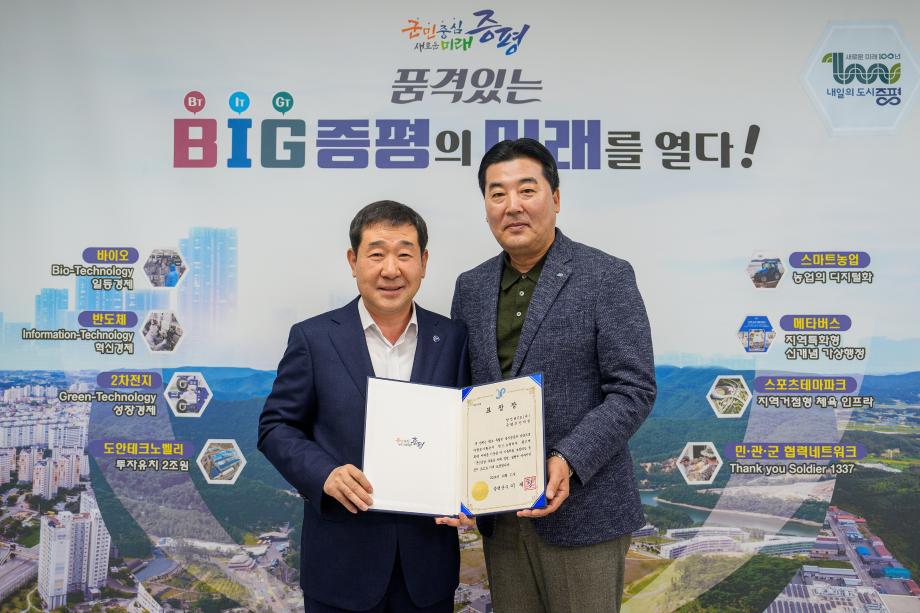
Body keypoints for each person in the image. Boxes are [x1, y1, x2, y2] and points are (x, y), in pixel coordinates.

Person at [451, 138, 657, 613]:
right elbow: (463, 392)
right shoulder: (471, 286)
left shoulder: (606, 276)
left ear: (556, 198)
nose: (512, 206)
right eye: (497, 194)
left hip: (583, 509)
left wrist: (567, 458)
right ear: (485, 206)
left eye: (527, 190)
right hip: (500, 513)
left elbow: (633, 389)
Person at [258, 201, 470, 613]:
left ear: (424, 263)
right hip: (340, 567)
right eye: (376, 254)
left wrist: (471, 493)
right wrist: (325, 474)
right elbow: (276, 427)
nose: (391, 270)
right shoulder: (314, 338)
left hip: (427, 569)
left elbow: (468, 428)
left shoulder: (453, 338)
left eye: (404, 254)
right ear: (353, 261)